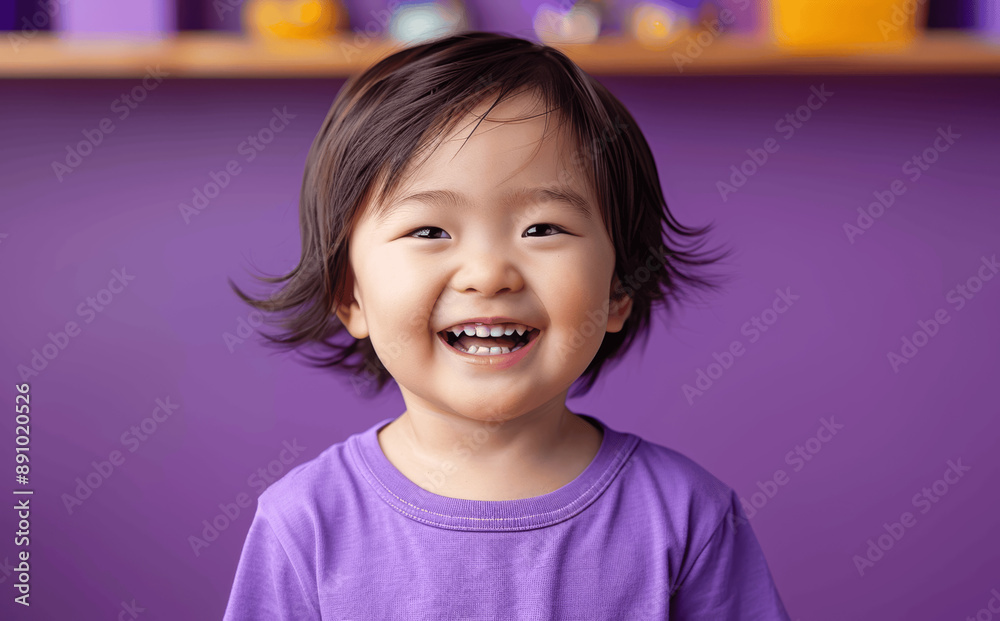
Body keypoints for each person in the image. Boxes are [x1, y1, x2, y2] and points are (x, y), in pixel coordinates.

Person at [222, 30, 791, 620]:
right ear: (351, 297)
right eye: (430, 231)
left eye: (542, 229)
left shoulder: (688, 516)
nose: (489, 274)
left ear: (620, 287)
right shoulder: (304, 523)